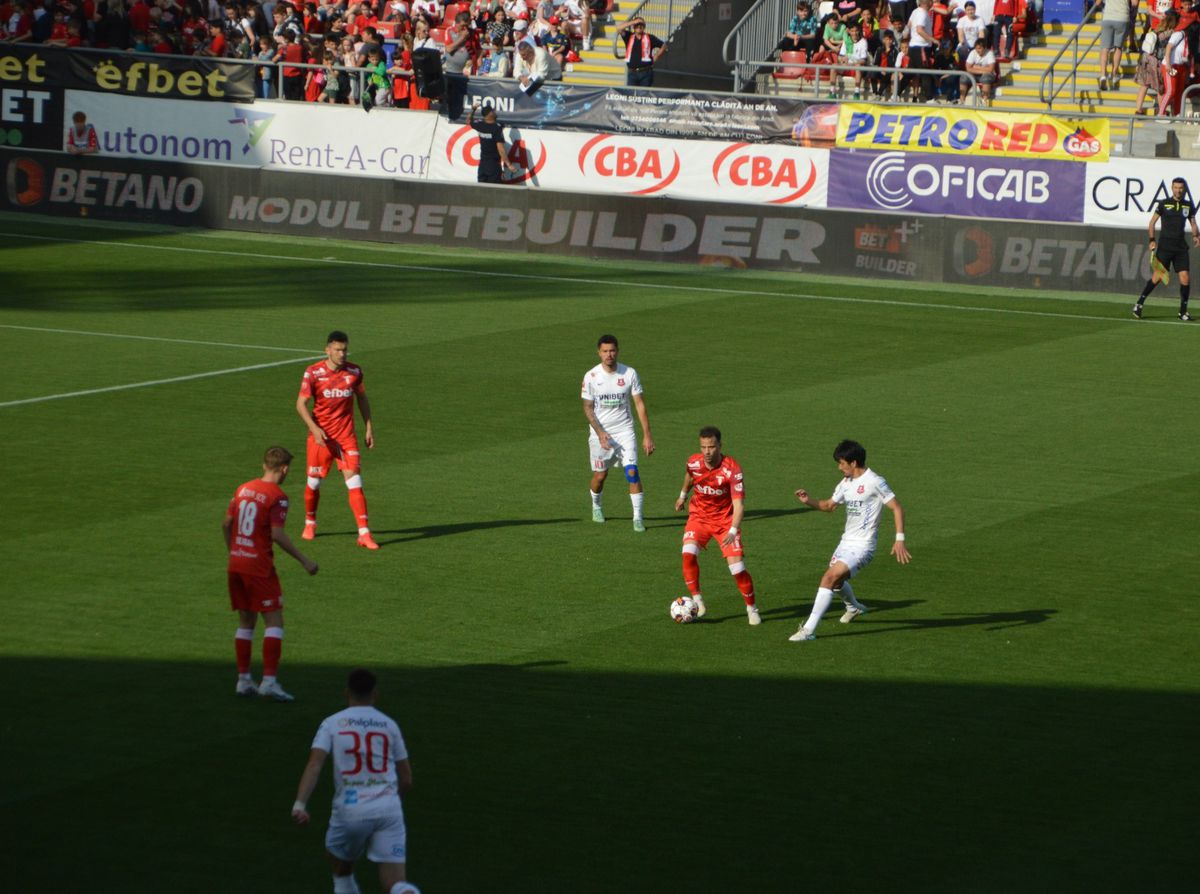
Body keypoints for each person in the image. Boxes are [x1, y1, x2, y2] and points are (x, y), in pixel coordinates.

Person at [292, 668, 420, 894]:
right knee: (396, 883)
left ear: (346, 692)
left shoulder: (332, 723)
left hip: (351, 810)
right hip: (389, 809)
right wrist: (390, 801)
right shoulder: (389, 725)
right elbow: (407, 779)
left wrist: (300, 804)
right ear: (375, 694)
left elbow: (314, 765)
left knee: (339, 864)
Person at [789, 439, 911, 642]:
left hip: (864, 546)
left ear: (853, 462)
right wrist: (808, 500)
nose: (839, 467)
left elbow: (897, 507)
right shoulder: (845, 483)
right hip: (846, 542)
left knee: (829, 578)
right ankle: (854, 608)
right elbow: (829, 506)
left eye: (842, 463)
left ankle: (808, 630)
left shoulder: (875, 481)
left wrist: (899, 539)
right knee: (837, 583)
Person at [224, 446, 318, 701]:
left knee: (246, 622)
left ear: (264, 465)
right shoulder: (277, 496)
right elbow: (277, 534)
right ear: (284, 469)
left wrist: (233, 550)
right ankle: (269, 681)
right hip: (259, 567)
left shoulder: (243, 489)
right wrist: (304, 560)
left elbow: (226, 523)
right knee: (274, 621)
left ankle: (244, 680)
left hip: (236, 564)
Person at [296, 330, 380, 548]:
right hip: (321, 438)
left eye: (345, 350)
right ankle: (310, 522)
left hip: (345, 437)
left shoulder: (354, 372)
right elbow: (300, 404)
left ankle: (364, 533)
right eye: (337, 350)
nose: (342, 354)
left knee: (355, 481)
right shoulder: (313, 373)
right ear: (327, 350)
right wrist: (314, 429)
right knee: (314, 482)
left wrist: (369, 427)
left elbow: (362, 398)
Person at [673, 426, 761, 626]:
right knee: (687, 553)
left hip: (725, 523)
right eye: (703, 447)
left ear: (720, 446)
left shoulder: (732, 470)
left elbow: (739, 505)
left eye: (711, 447)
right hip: (699, 517)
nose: (707, 452)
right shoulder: (693, 462)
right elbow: (690, 476)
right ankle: (697, 600)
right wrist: (682, 496)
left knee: (737, 569)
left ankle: (752, 608)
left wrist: (733, 530)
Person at [581, 334, 655, 531]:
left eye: (612, 350)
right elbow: (587, 408)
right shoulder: (591, 376)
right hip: (601, 434)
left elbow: (639, 404)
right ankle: (596, 505)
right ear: (599, 353)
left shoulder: (629, 373)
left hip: (624, 431)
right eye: (605, 351)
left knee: (632, 472)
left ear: (618, 351)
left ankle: (637, 518)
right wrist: (600, 433)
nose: (609, 355)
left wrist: (647, 435)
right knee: (600, 476)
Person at [1133, 177, 1200, 321]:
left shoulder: (1188, 205)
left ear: (1184, 189)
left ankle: (1183, 312)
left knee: (1185, 278)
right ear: (1172, 188)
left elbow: (1193, 223)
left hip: (1180, 248)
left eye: (1180, 188)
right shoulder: (1164, 203)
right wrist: (1152, 240)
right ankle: (1139, 304)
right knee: (1157, 277)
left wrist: (1196, 236)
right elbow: (1152, 223)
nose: (1178, 190)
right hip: (1165, 247)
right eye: (1176, 187)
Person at [467, 103, 517, 183]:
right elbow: (501, 149)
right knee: (494, 189)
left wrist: (473, 110)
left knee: (481, 188)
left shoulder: (480, 125)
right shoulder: (496, 128)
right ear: (490, 114)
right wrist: (509, 164)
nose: (495, 112)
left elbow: (469, 121)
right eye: (493, 111)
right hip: (493, 166)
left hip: (482, 165)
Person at [614, 15, 664, 86]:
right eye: (637, 25)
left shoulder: (650, 37)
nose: (639, 27)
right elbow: (618, 28)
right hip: (632, 73)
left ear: (644, 27)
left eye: (641, 25)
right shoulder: (629, 36)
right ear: (633, 26)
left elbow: (664, 45)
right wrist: (633, 22)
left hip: (646, 72)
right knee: (631, 93)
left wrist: (656, 56)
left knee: (644, 93)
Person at [1098, 0, 1134, 90]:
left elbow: (1098, 2)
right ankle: (1114, 74)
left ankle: (1103, 75)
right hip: (1122, 18)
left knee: (1105, 48)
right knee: (1118, 48)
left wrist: (1105, 7)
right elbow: (1135, 3)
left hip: (1108, 17)